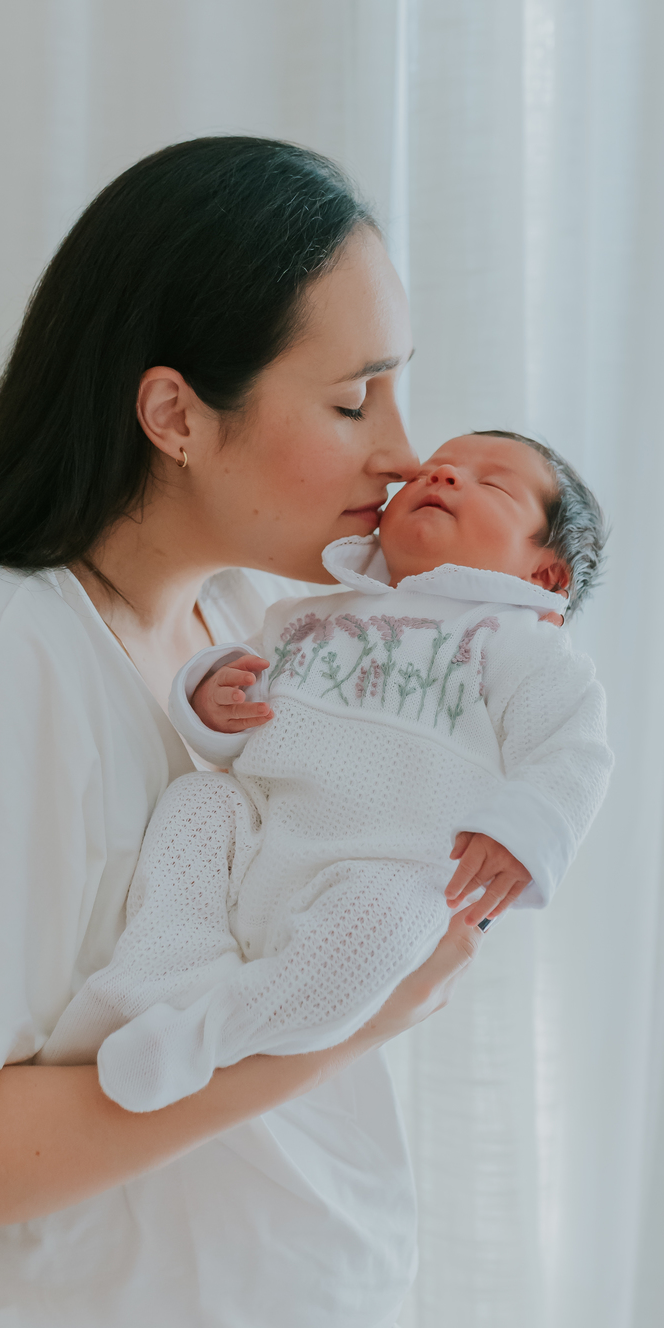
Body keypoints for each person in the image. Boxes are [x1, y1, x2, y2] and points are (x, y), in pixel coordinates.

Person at [0, 136, 490, 1328]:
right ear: (174, 414)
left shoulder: (242, 627)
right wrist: (344, 1019)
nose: (406, 454)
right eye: (355, 400)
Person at [50, 430, 612, 1114]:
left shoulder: (524, 646)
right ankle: (160, 975)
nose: (443, 477)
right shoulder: (307, 616)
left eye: (490, 483)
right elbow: (240, 701)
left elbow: (573, 750)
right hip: (260, 835)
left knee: (385, 923)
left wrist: (523, 832)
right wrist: (210, 697)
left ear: (546, 575)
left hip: (386, 868)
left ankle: (204, 1036)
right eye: (433, 469)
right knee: (198, 800)